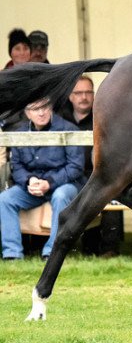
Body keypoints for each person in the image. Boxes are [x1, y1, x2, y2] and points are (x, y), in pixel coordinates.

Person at [0, 99, 85, 260]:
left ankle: (52, 253)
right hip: (32, 186)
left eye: (44, 107)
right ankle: (12, 253)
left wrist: (49, 183)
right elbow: (16, 166)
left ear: (51, 108)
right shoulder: (19, 133)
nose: (41, 113)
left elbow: (75, 167)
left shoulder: (69, 129)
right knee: (5, 199)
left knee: (61, 196)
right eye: (35, 109)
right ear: (27, 113)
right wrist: (29, 180)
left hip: (64, 184)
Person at [59, 75, 123, 257]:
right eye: (78, 93)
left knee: (113, 195)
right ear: (70, 96)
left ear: (94, 95)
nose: (84, 97)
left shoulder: (105, 116)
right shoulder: (61, 120)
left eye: (88, 92)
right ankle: (85, 250)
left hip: (101, 173)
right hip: (73, 175)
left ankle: (109, 251)